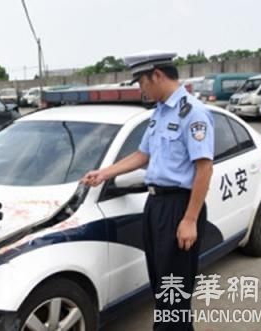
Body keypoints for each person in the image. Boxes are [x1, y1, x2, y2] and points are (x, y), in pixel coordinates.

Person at [80, 51, 214, 331]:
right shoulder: (159, 113)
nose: (140, 88)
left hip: (180, 207)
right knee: (161, 286)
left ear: (157, 75)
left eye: (141, 82)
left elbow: (204, 169)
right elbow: (143, 155)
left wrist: (189, 220)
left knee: (173, 293)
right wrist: (104, 173)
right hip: (155, 206)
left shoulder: (194, 113)